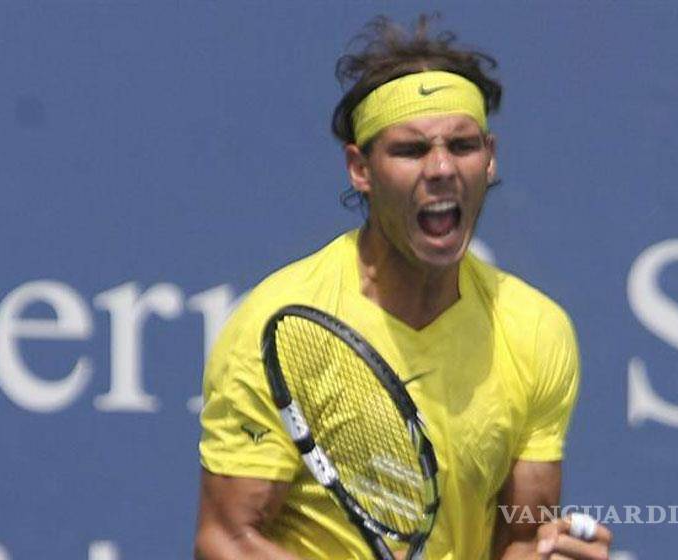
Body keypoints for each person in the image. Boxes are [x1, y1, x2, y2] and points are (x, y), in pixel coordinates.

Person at [194, 14, 612, 560]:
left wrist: (548, 556)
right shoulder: (277, 324)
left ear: (489, 159)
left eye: (462, 145)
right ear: (360, 169)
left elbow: (521, 536)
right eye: (411, 150)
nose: (441, 168)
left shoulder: (535, 329)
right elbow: (226, 539)